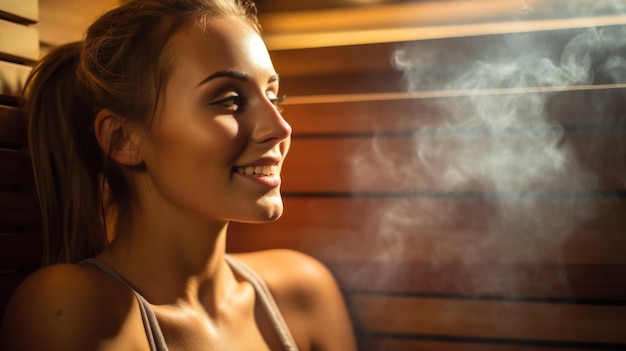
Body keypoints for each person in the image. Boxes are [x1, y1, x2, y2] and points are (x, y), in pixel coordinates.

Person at [0, 0, 357, 350]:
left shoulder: (305, 293)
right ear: (122, 139)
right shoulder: (70, 309)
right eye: (230, 99)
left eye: (273, 96)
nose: (280, 127)